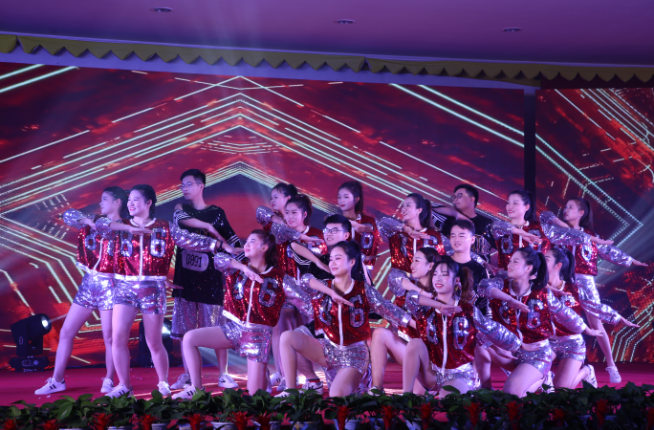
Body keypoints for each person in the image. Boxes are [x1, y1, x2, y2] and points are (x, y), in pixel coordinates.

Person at [97, 184, 220, 398]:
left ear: (148, 203)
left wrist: (217, 244)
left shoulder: (164, 227)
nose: (131, 204)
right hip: (124, 287)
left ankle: (163, 381)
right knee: (117, 339)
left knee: (153, 341)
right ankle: (124, 385)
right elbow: (99, 224)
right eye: (129, 200)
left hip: (153, 289)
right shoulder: (119, 225)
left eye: (136, 199)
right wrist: (130, 230)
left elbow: (189, 239)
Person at [279, 241, 411, 397]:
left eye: (338, 258)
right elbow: (306, 280)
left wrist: (413, 323)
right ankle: (291, 391)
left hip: (354, 355)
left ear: (352, 262)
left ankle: (362, 382)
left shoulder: (363, 289)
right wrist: (331, 292)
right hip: (328, 351)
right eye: (331, 259)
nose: (332, 263)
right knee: (287, 337)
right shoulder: (323, 288)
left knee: (337, 395)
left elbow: (387, 308)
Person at [173, 230, 291, 399]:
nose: (246, 244)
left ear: (264, 248)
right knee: (190, 338)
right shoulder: (235, 267)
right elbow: (218, 259)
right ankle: (196, 388)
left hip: (257, 337)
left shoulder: (279, 277)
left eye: (252, 241)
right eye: (247, 241)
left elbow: (302, 297)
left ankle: (262, 375)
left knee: (254, 396)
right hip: (234, 328)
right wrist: (242, 267)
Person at [540, 197, 647, 383]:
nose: (566, 210)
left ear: (581, 213)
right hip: (562, 282)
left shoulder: (590, 236)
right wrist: (560, 224)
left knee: (596, 324)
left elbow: (610, 252)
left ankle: (611, 365)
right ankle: (557, 368)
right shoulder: (558, 232)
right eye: (565, 207)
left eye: (571, 207)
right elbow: (544, 216)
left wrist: (632, 261)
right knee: (561, 320)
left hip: (584, 282)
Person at [35, 187, 128, 395]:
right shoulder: (91, 219)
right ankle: (57, 380)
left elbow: (108, 229)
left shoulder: (122, 227)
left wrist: (96, 223)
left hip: (110, 285)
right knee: (66, 332)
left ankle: (109, 379)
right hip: (88, 284)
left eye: (105, 199)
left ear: (117, 203)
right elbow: (68, 215)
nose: (100, 203)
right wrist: (87, 221)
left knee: (109, 338)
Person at [474, 247, 599, 397]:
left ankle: (540, 377)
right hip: (511, 350)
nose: (509, 264)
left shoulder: (542, 294)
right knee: (479, 339)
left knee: (511, 393)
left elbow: (565, 314)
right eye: (510, 261)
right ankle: (486, 386)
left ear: (528, 268)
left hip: (537, 354)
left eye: (515, 261)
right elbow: (483, 287)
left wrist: (586, 329)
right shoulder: (500, 285)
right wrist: (509, 299)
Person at [401, 261, 520, 397]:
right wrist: (439, 306)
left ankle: (464, 390)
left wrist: (518, 346)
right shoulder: (426, 308)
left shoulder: (468, 311)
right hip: (434, 374)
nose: (438, 278)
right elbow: (410, 297)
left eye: (444, 275)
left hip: (460, 375)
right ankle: (406, 397)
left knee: (447, 399)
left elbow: (501, 334)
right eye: (435, 274)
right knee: (415, 343)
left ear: (456, 280)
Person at [169, 169, 241, 390]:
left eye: (189, 184)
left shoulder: (216, 212)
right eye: (182, 185)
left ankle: (223, 374)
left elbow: (232, 240)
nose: (184, 188)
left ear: (201, 186)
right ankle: (188, 375)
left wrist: (244, 256)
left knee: (218, 328)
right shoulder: (181, 209)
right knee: (185, 330)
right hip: (185, 279)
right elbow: (181, 221)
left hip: (211, 279)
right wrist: (208, 227)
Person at [544, 247, 638, 389]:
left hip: (572, 344)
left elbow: (595, 306)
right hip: (547, 343)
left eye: (546, 259)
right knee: (529, 368)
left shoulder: (575, 289)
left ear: (558, 265)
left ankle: (587, 371)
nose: (541, 262)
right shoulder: (537, 288)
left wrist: (618, 318)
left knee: (561, 388)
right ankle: (546, 376)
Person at [260, 193, 327, 391]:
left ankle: (315, 376)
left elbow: (321, 261)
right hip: (285, 292)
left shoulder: (317, 235)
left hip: (310, 294)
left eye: (294, 213)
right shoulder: (281, 232)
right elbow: (261, 213)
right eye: (287, 212)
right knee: (283, 332)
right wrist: (290, 229)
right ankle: (285, 375)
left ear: (304, 214)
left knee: (310, 333)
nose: (289, 217)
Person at [369, 247, 439, 394]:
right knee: (380, 333)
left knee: (418, 398)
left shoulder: (440, 291)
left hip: (432, 361)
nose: (412, 265)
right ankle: (377, 389)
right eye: (412, 260)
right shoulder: (407, 286)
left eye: (417, 261)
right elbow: (394, 277)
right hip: (411, 353)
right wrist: (420, 292)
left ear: (430, 266)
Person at [378, 193, 449, 273]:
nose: (403, 209)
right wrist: (405, 229)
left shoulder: (435, 236)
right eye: (403, 206)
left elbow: (453, 253)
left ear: (419, 210)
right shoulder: (398, 234)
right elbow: (382, 223)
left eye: (408, 205)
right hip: (402, 279)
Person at [431, 184, 495, 262]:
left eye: (459, 196)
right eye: (454, 197)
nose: (455, 200)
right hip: (453, 268)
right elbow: (429, 207)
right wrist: (455, 213)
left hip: (480, 268)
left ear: (471, 199)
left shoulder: (487, 223)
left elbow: (503, 247)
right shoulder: (447, 221)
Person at [490, 190, 549, 272]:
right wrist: (522, 233)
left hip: (533, 278)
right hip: (508, 278)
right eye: (508, 203)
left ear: (526, 207)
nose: (510, 206)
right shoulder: (501, 229)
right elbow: (495, 226)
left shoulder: (540, 229)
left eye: (515, 203)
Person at [336, 181, 381, 271]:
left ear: (356, 199)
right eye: (339, 197)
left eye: (346, 197)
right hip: (340, 270)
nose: (341, 200)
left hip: (363, 271)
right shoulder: (334, 220)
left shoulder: (370, 221)